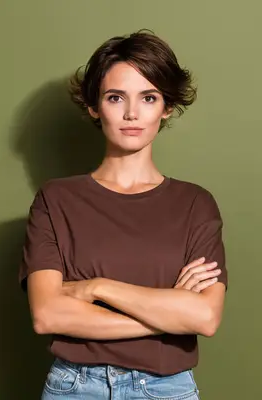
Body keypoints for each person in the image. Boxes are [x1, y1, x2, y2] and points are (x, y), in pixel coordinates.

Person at [18, 30, 228, 400]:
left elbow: (205, 318)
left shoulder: (195, 204)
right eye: (116, 97)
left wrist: (96, 287)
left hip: (166, 389)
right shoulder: (56, 200)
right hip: (75, 388)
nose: (132, 113)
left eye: (148, 97)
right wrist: (165, 315)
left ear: (166, 107)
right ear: (94, 107)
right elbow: (48, 315)